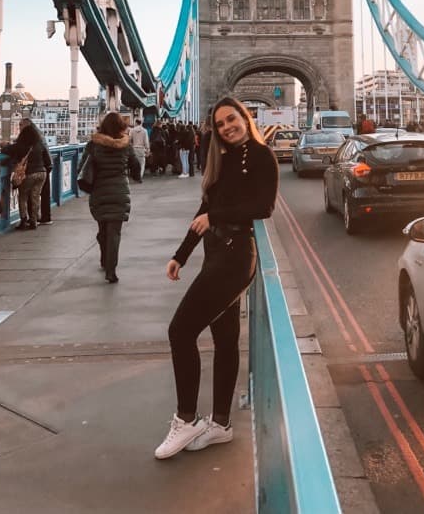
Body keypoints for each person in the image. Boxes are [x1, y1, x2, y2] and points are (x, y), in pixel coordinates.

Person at [155, 97, 279, 459]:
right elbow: (204, 212)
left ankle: (187, 419)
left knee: (180, 331)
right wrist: (181, 254)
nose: (227, 127)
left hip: (236, 257)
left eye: (232, 119)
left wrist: (216, 216)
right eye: (221, 123)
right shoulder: (221, 160)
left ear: (245, 117)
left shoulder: (260, 155)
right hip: (216, 254)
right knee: (225, 339)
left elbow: (263, 207)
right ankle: (221, 425)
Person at [78, 112, 140, 283]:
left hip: (99, 191)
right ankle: (111, 270)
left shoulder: (93, 144)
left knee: (103, 229)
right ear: (121, 126)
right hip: (120, 191)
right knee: (115, 233)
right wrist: (137, 175)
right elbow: (135, 165)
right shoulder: (125, 145)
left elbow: (81, 167)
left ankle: (105, 259)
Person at [3, 121, 51, 231]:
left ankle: (24, 220)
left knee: (23, 197)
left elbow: (6, 150)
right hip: (41, 173)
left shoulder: (21, 145)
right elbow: (47, 160)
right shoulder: (39, 144)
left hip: (28, 174)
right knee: (35, 197)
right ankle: (34, 221)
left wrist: (6, 145)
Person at [129, 118, 149, 183]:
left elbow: (129, 139)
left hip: (134, 148)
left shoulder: (132, 130)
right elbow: (146, 141)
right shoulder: (144, 130)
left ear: (136, 123)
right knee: (142, 164)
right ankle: (140, 176)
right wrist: (147, 148)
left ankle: (136, 176)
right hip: (141, 149)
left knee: (135, 164)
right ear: (141, 123)